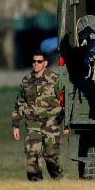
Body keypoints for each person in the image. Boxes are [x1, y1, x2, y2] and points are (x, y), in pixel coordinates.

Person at [11, 50, 64, 181]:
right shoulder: (26, 81)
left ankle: (58, 180)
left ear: (45, 63)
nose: (36, 64)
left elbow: (65, 102)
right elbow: (20, 103)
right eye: (34, 61)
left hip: (51, 124)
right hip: (32, 124)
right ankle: (35, 185)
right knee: (32, 156)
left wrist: (65, 124)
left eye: (39, 61)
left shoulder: (55, 79)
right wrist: (16, 124)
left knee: (50, 156)